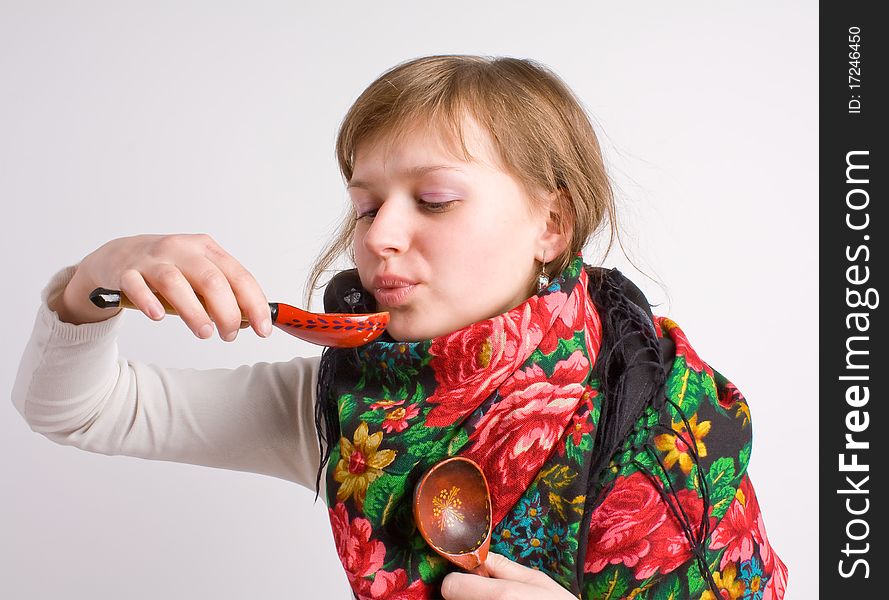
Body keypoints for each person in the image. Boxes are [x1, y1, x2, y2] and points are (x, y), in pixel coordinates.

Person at [12, 55, 787, 599]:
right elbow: (75, 410)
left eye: (436, 199)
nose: (380, 236)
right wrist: (96, 279)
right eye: (364, 205)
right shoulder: (346, 406)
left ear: (551, 223)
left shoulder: (659, 402)